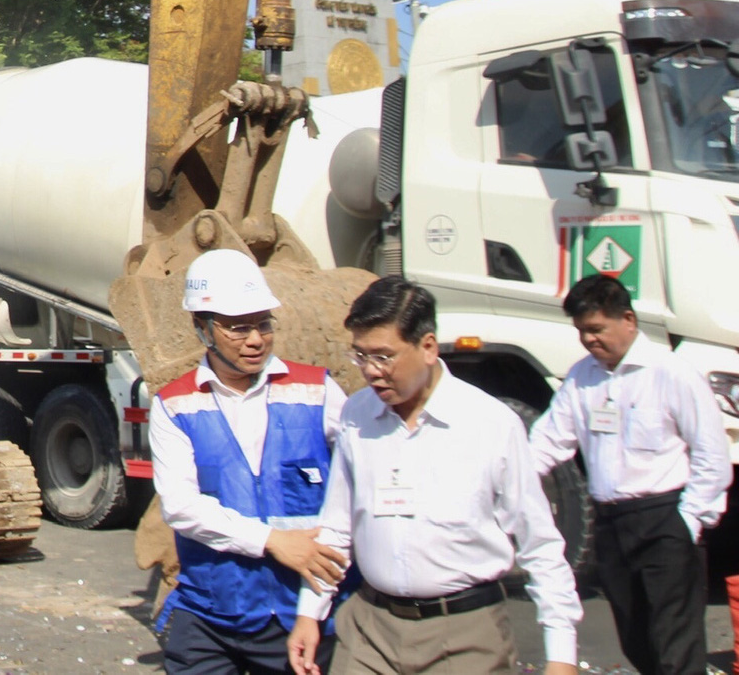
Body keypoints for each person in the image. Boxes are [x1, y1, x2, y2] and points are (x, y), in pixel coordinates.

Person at [288, 276, 580, 675]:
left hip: (466, 636)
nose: (371, 371)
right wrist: (310, 612)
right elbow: (338, 528)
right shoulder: (357, 416)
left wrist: (561, 654)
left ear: (427, 347)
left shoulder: (491, 424)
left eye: (384, 357)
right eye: (361, 356)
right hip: (371, 631)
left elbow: (540, 545)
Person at [150, 249, 350, 675]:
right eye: (238, 328)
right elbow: (181, 507)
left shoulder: (319, 392)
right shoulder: (174, 405)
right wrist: (273, 542)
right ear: (200, 328)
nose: (256, 339)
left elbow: (355, 486)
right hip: (210, 612)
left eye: (263, 324)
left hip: (300, 613)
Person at [530, 273, 730, 675]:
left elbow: (712, 454)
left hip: (663, 520)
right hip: (612, 525)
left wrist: (687, 522)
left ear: (628, 320)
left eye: (596, 329)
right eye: (582, 331)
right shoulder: (582, 377)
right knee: (638, 642)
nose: (588, 339)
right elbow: (549, 440)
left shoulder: (670, 373)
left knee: (675, 644)